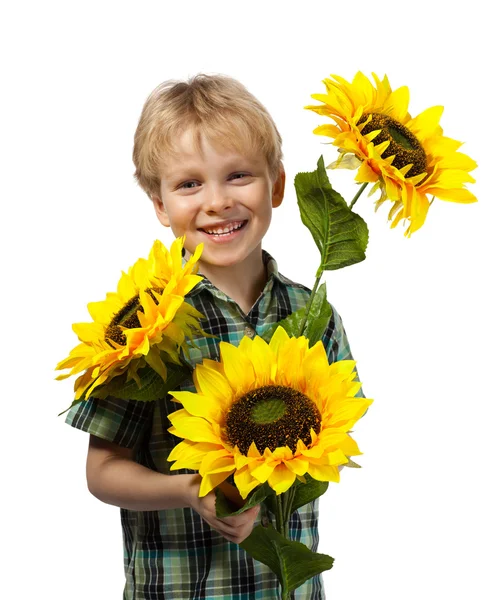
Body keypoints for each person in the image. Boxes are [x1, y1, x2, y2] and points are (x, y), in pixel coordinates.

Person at [65, 74, 360, 599]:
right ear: (160, 205)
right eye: (189, 184)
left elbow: (335, 438)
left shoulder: (313, 314)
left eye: (238, 175)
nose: (217, 201)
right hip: (181, 589)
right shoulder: (142, 327)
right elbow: (102, 470)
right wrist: (189, 488)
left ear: (276, 185)